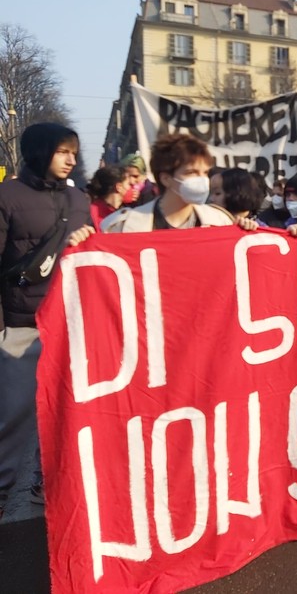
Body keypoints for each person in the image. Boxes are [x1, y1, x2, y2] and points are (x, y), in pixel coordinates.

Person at [0, 123, 92, 519]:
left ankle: (48, 481)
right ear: (39, 152)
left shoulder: (78, 199)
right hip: (21, 324)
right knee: (15, 414)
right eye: (61, 152)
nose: (71, 159)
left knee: (65, 409)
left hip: (70, 320)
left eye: (73, 151)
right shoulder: (7, 196)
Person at [99, 134, 234, 233]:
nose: (202, 179)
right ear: (166, 179)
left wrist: (246, 230)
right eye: (192, 173)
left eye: (205, 173)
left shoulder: (222, 223)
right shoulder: (121, 227)